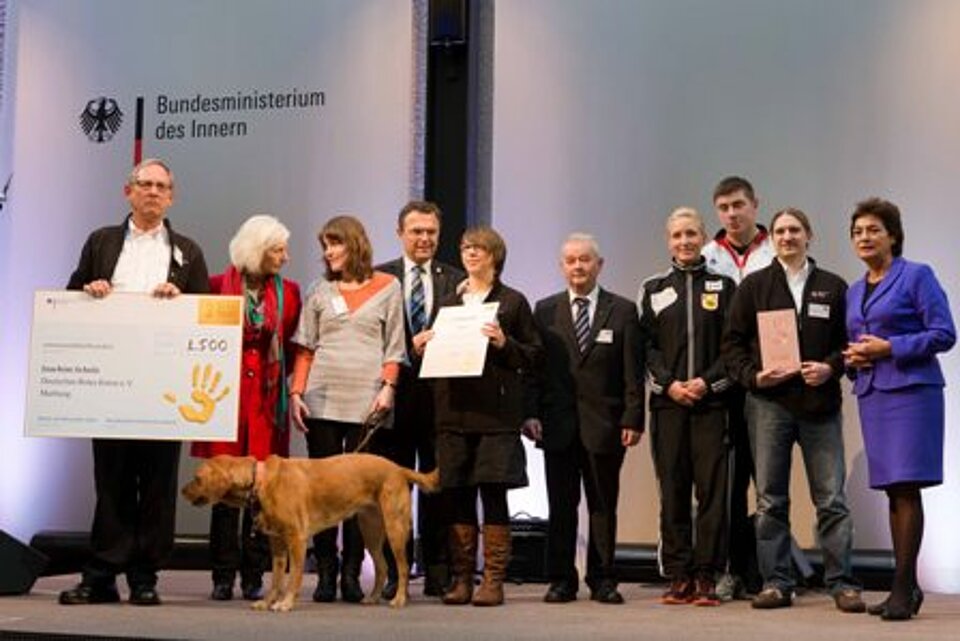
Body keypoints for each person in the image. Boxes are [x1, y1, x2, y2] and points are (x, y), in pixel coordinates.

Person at [59, 159, 210, 606]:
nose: (153, 192)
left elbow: (206, 314)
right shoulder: (101, 242)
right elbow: (68, 295)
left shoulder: (189, 251)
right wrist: (90, 290)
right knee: (111, 483)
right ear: (128, 192)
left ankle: (145, 577)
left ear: (172, 196)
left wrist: (181, 300)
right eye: (145, 184)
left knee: (159, 486)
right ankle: (102, 574)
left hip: (166, 390)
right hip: (110, 385)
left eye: (161, 186)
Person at [722, 208, 864, 612]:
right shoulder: (753, 287)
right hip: (768, 406)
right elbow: (731, 346)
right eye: (781, 231)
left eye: (795, 230)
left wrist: (831, 367)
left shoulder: (834, 287)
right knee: (770, 500)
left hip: (820, 407)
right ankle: (777, 582)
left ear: (809, 236)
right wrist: (754, 377)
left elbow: (849, 344)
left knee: (831, 499)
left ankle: (842, 582)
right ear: (772, 239)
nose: (787, 237)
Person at [844, 198, 955, 621]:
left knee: (907, 488)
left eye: (873, 229)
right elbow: (858, 339)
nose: (864, 238)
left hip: (912, 393)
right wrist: (855, 360)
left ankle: (903, 589)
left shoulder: (917, 275)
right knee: (894, 490)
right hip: (874, 394)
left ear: (893, 235)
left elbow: (944, 333)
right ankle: (905, 587)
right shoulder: (854, 291)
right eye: (857, 232)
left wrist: (891, 347)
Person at [421, 226, 541, 607]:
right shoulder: (447, 300)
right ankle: (461, 579)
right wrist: (420, 344)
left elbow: (534, 356)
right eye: (466, 247)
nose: (471, 254)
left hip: (495, 414)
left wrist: (505, 343)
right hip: (453, 411)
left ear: (495, 256)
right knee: (456, 494)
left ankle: (493, 580)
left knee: (492, 495)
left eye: (479, 248)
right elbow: (432, 350)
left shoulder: (512, 302)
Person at [289, 215, 405, 603]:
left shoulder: (389, 287)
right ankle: (325, 571)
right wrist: (296, 393)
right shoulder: (319, 290)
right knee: (320, 491)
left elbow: (395, 346)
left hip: (368, 399)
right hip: (321, 397)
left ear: (354, 244)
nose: (328, 252)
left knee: (357, 494)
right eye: (324, 245)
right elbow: (305, 347)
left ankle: (352, 574)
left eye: (335, 243)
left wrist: (389, 387)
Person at [524, 233, 643, 605]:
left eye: (585, 260)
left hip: (606, 425)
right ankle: (561, 579)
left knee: (603, 506)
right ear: (562, 266)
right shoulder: (544, 310)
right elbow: (534, 370)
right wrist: (530, 413)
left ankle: (603, 579)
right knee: (561, 506)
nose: (578, 266)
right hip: (557, 425)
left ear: (599, 265)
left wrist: (633, 418)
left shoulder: (622, 310)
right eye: (571, 260)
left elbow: (632, 373)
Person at [189, 214, 302, 602]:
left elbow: (289, 346)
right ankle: (222, 575)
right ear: (257, 251)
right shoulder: (217, 287)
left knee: (264, 490)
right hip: (224, 395)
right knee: (223, 488)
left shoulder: (290, 292)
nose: (286, 257)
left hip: (267, 403)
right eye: (278, 249)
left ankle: (254, 574)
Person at [638, 209, 735, 606]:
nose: (684, 241)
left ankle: (707, 575)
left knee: (712, 493)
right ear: (668, 240)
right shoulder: (653, 287)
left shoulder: (725, 286)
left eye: (691, 234)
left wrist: (707, 383)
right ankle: (679, 574)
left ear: (703, 237)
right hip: (669, 406)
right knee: (673, 490)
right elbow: (646, 347)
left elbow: (734, 347)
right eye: (677, 235)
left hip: (713, 405)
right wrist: (670, 385)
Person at [375, 200, 464, 598]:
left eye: (431, 232)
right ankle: (397, 569)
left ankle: (439, 569)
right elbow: (369, 339)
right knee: (392, 492)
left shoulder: (457, 281)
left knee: (438, 488)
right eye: (416, 231)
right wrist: (407, 348)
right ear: (400, 234)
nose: (425, 238)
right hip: (392, 401)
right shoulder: (379, 279)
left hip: (441, 402)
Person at [701, 176, 774, 599]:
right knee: (730, 483)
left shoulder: (775, 252)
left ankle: (771, 572)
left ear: (755, 204)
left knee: (770, 484)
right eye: (724, 207)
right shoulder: (707, 257)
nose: (732, 213)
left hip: (769, 384)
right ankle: (730, 569)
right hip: (724, 387)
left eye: (739, 205)